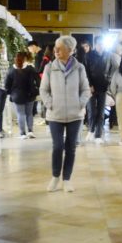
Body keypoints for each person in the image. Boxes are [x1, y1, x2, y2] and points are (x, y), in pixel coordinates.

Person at [40, 35, 91, 192]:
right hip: (55, 114)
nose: (56, 50)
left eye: (60, 48)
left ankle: (67, 179)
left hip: (75, 115)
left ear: (70, 50)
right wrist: (50, 104)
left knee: (71, 148)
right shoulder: (50, 68)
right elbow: (43, 89)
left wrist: (80, 104)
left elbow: (85, 89)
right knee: (57, 146)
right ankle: (55, 177)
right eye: (55, 47)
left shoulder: (79, 68)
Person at [85, 36, 118, 143]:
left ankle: (98, 135)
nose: (101, 46)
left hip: (103, 87)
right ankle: (91, 130)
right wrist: (89, 84)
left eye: (103, 44)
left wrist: (109, 79)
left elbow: (115, 67)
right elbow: (85, 71)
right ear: (95, 44)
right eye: (99, 44)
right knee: (91, 110)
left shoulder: (108, 55)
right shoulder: (88, 55)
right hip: (91, 87)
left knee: (101, 112)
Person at [5, 52, 40, 139]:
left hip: (17, 96)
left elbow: (6, 85)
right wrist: (37, 89)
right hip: (30, 94)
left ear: (15, 59)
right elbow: (38, 79)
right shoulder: (30, 68)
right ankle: (30, 131)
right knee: (29, 114)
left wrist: (11, 93)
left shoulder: (11, 70)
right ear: (25, 59)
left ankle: (22, 134)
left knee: (20, 114)